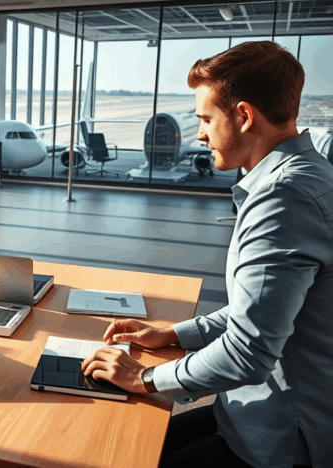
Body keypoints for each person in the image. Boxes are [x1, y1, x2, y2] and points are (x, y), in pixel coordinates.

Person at [81, 41, 332, 468]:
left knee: (118, 450)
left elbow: (247, 351)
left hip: (279, 442)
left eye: (206, 119)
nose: (200, 134)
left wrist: (142, 376)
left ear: (244, 115)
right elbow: (261, 309)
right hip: (249, 415)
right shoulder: (306, 174)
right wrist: (175, 335)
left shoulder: (283, 198)